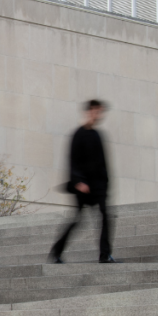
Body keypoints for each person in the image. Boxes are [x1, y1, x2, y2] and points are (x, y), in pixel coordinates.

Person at [48, 99, 118, 264]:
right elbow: (72, 160)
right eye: (96, 111)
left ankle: (105, 255)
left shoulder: (98, 135)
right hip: (82, 187)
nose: (99, 115)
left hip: (99, 187)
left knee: (106, 216)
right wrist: (78, 181)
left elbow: (103, 163)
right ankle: (56, 252)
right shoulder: (78, 134)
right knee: (77, 219)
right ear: (89, 112)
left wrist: (106, 185)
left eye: (100, 112)